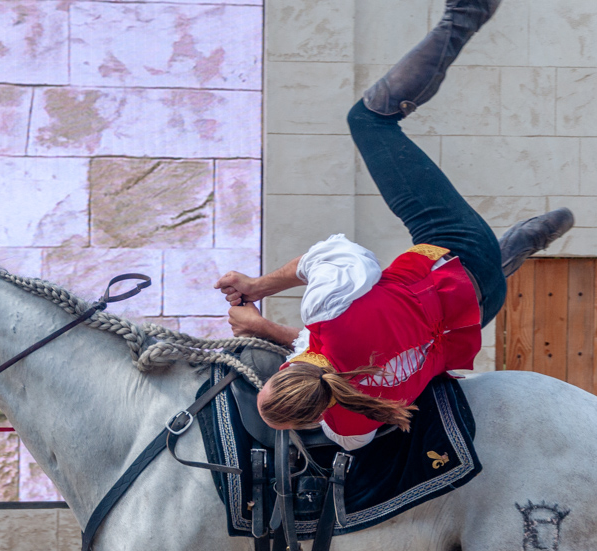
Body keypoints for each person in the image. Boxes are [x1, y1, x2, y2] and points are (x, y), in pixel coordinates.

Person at [217, 0, 572, 451]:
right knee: (369, 121)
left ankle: (519, 245)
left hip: (480, 311)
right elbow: (334, 256)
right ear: (285, 370)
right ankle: (464, 16)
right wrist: (259, 287)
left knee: (444, 308)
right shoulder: (330, 315)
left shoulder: (353, 425)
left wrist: (268, 330)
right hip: (458, 251)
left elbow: (329, 364)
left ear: (319, 413)